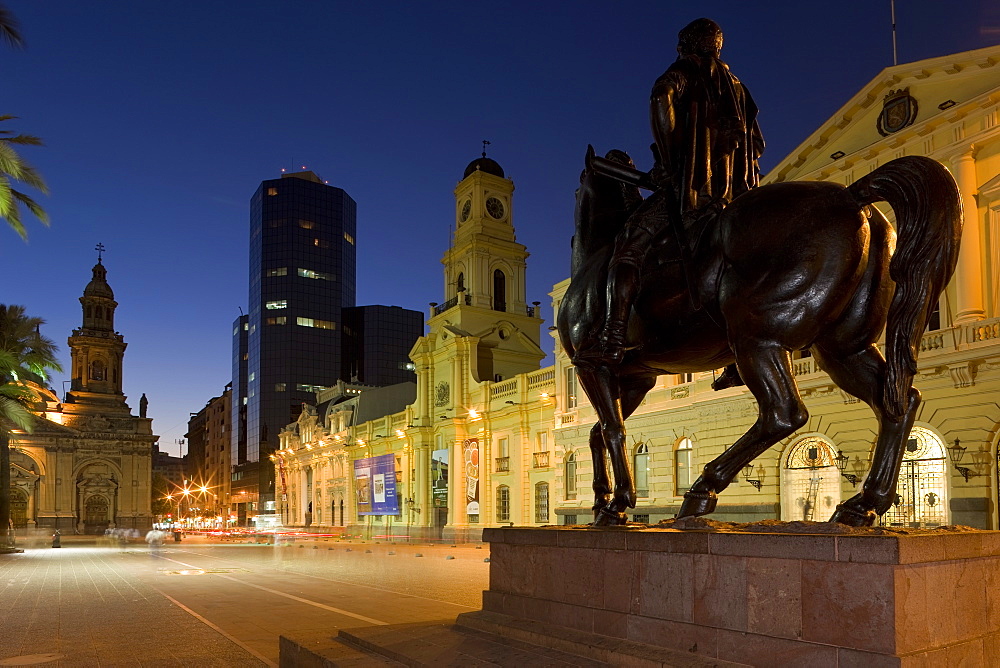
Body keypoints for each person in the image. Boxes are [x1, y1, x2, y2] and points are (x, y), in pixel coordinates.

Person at [578, 18, 764, 380]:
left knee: (627, 249)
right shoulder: (739, 88)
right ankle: (735, 358)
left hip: (691, 192)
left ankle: (613, 337)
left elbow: (659, 98)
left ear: (687, 46)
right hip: (733, 195)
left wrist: (668, 161)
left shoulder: (685, 71)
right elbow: (756, 143)